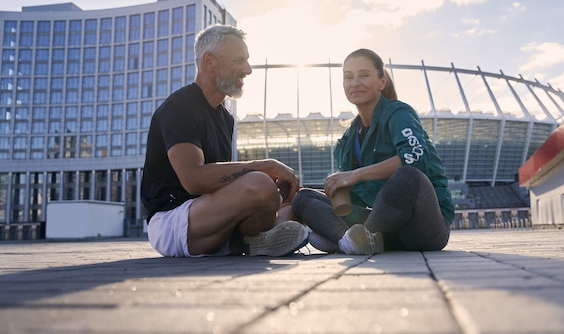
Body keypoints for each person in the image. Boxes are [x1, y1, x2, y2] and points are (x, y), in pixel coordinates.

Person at [141, 24, 308, 257]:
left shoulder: (225, 118)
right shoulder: (180, 107)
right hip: (172, 220)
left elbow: (222, 179)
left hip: (210, 214)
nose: (248, 70)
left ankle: (248, 244)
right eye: (239, 60)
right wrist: (265, 167)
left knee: (296, 202)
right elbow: (194, 180)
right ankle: (246, 242)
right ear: (209, 61)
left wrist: (278, 192)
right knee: (260, 184)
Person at [291, 48, 454, 254]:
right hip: (385, 228)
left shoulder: (398, 113)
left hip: (423, 227)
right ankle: (348, 240)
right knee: (304, 197)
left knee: (407, 176)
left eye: (364, 75)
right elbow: (356, 201)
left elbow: (415, 158)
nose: (355, 83)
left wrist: (355, 174)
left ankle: (346, 238)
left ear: (382, 82)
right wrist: (335, 188)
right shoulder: (347, 141)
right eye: (348, 77)